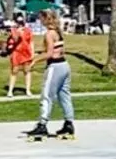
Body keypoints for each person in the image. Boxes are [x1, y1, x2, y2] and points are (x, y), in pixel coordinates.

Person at [25, 10, 75, 140]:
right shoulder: (58, 32)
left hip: (55, 67)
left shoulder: (49, 34)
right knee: (64, 95)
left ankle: (42, 124)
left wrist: (34, 60)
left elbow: (49, 54)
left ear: (45, 19)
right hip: (65, 66)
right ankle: (69, 123)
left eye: (40, 18)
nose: (39, 21)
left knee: (46, 95)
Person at [6, 13, 34, 98]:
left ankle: (28, 90)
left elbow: (31, 42)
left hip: (26, 52)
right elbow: (14, 40)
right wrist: (16, 31)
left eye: (21, 21)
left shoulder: (28, 30)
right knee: (14, 71)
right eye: (18, 21)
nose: (20, 23)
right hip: (17, 52)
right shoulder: (13, 30)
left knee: (27, 71)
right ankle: (10, 91)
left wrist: (32, 52)